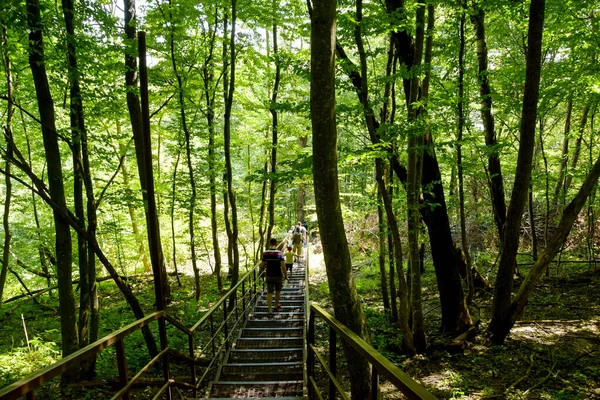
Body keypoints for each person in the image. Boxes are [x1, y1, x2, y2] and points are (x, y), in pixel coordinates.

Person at [261, 237, 288, 312]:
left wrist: (266, 265)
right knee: (278, 291)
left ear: (270, 244)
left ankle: (270, 309)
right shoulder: (280, 253)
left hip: (269, 275)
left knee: (269, 292)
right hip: (278, 275)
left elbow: (261, 264)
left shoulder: (265, 253)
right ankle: (276, 306)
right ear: (276, 244)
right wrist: (286, 276)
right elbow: (283, 266)